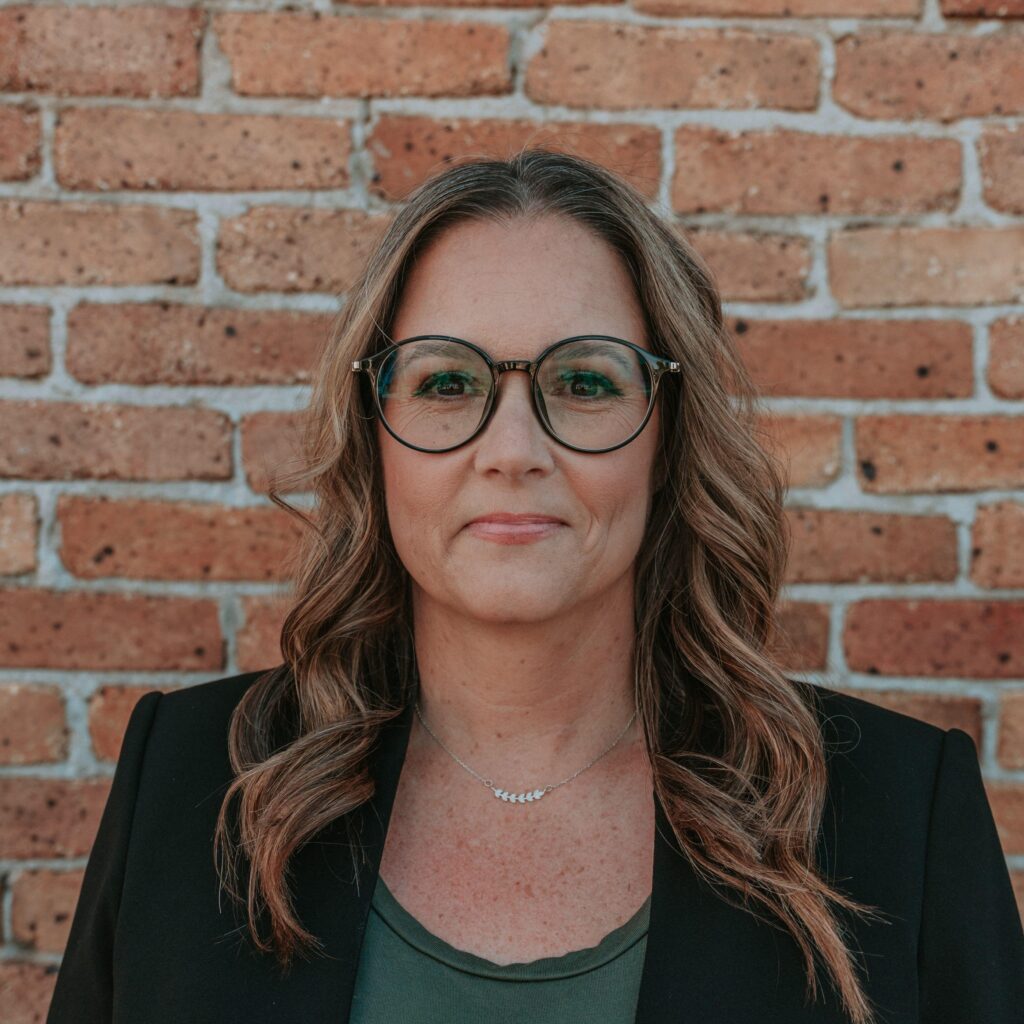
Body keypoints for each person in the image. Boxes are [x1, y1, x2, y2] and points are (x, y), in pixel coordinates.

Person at [46, 150, 1023, 1024]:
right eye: (445, 383)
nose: (511, 450)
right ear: (374, 432)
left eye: (585, 383)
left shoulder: (896, 814)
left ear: (669, 435)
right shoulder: (193, 783)